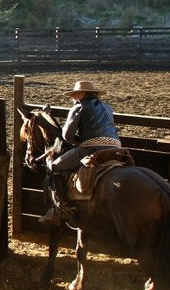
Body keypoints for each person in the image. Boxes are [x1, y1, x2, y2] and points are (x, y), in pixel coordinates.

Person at [40, 81, 121, 225]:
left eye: (75, 94)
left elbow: (67, 135)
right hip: (116, 148)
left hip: (91, 148)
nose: (73, 97)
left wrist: (78, 142)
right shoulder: (108, 107)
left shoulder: (79, 106)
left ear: (82, 94)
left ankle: (61, 209)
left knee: (53, 167)